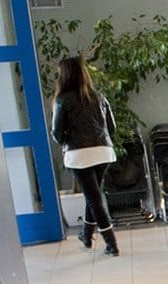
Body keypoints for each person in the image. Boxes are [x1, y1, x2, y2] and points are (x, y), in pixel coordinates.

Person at [51, 55, 120, 257]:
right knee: (94, 194)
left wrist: (66, 140)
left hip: (78, 154)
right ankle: (87, 235)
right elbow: (112, 128)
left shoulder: (62, 100)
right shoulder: (99, 96)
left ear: (63, 76)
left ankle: (111, 243)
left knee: (94, 197)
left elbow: (57, 133)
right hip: (104, 151)